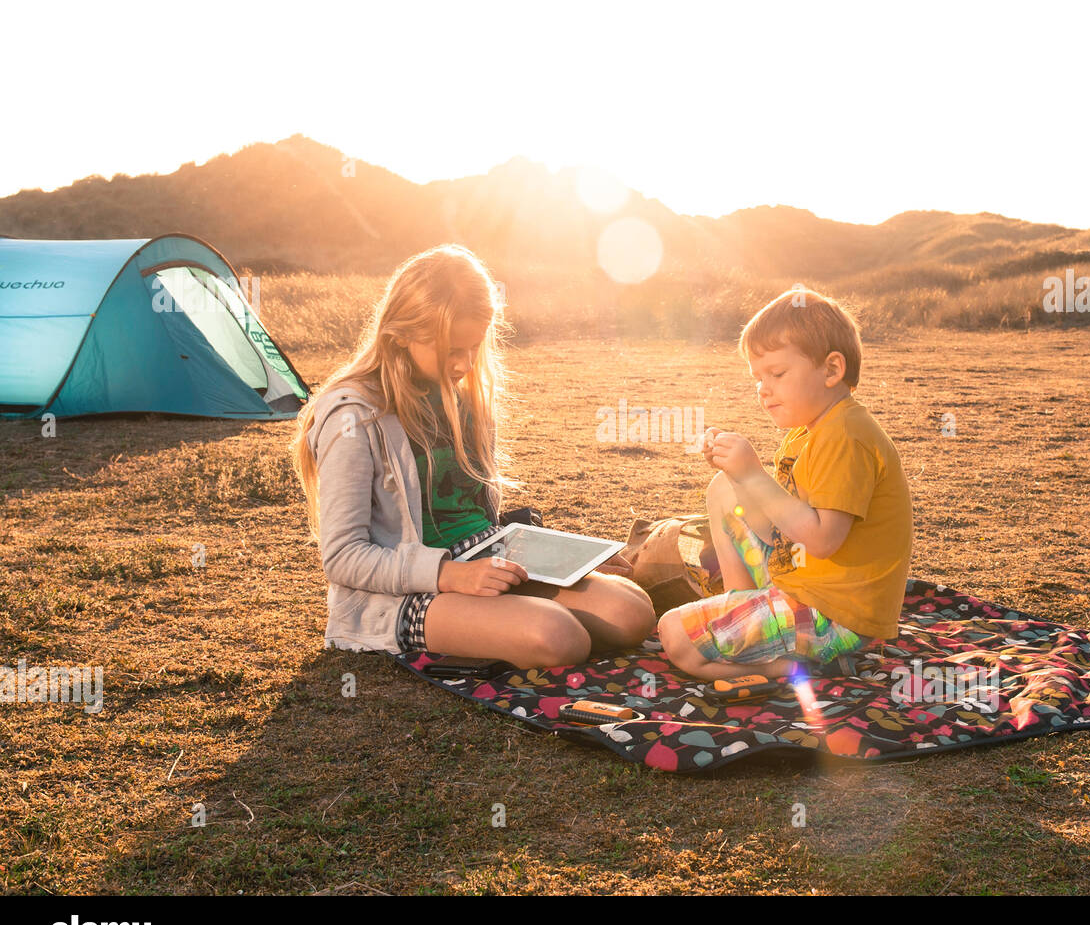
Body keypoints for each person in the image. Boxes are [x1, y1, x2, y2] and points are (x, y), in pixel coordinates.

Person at [290, 244, 657, 667]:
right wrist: (450, 575)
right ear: (402, 333)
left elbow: (481, 519)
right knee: (558, 637)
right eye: (451, 350)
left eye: (473, 348)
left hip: (487, 556)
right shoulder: (353, 417)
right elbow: (343, 557)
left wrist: (568, 559)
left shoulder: (462, 400)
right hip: (408, 589)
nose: (464, 365)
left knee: (632, 612)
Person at [657, 287, 913, 680]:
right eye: (757, 377)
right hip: (804, 583)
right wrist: (740, 477)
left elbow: (824, 540)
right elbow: (781, 528)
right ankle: (741, 606)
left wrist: (756, 476)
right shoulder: (807, 432)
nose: (763, 388)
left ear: (831, 370)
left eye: (776, 374)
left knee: (674, 635)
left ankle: (790, 667)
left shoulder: (845, 435)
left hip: (834, 614)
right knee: (723, 490)